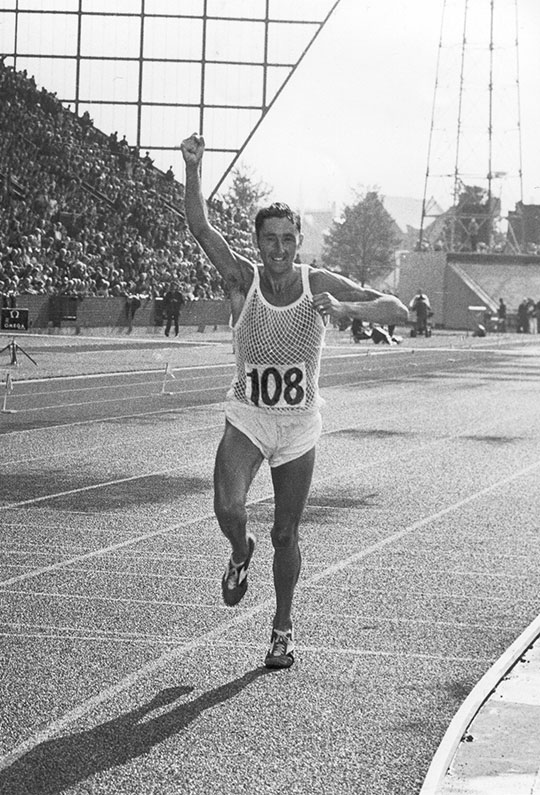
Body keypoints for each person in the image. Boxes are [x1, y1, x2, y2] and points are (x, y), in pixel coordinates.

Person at [181, 133, 408, 669]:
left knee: (287, 531)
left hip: (299, 425)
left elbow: (394, 308)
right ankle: (240, 552)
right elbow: (199, 228)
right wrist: (193, 170)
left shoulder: (317, 282)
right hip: (249, 417)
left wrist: (352, 313)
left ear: (298, 241)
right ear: (258, 243)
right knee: (228, 508)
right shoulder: (244, 278)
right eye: (270, 240)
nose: (279, 249)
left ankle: (282, 627)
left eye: (287, 239)